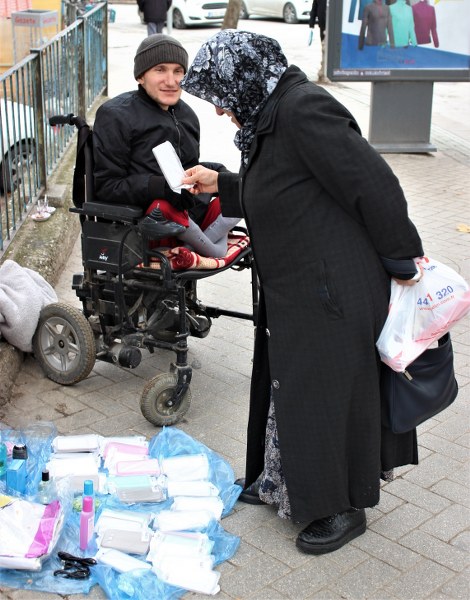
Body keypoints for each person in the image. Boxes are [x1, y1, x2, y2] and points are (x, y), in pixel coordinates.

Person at [180, 30, 424, 554]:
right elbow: (285, 183)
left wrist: (405, 259)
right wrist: (221, 183)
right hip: (300, 286)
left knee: (326, 397)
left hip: (331, 287)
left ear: (246, 78)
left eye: (223, 95)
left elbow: (374, 184)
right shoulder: (272, 113)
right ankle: (284, 482)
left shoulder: (303, 108)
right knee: (292, 389)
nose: (221, 110)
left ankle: (342, 506)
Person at [93, 34, 240, 258]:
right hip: (149, 223)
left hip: (189, 214)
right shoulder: (116, 115)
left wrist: (217, 173)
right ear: (141, 76)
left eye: (178, 71)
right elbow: (106, 186)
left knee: (238, 191)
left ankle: (190, 250)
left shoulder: (187, 115)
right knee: (163, 206)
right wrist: (159, 187)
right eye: (160, 69)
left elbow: (187, 169)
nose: (171, 81)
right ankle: (209, 250)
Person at [309, 0, 329, 82]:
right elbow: (314, 9)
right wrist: (311, 23)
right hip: (323, 27)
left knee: (328, 49)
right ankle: (323, 70)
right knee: (323, 47)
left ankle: (326, 70)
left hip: (333, 27)